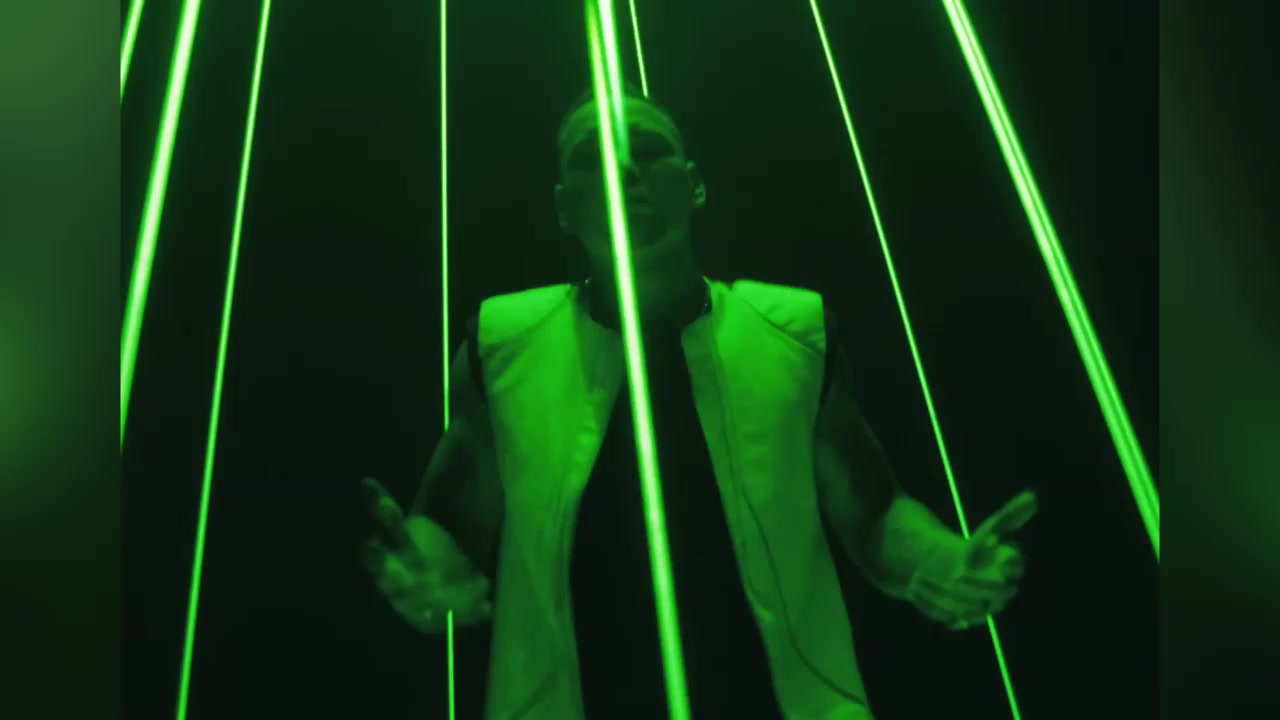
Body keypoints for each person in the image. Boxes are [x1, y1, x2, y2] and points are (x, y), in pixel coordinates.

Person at [360, 85, 1037, 720]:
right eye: (594, 157)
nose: (625, 170)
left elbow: (875, 511)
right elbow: (450, 519)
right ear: (564, 207)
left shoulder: (794, 335)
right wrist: (422, 568)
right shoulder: (501, 345)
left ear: (695, 184)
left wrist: (943, 561)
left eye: (649, 150)